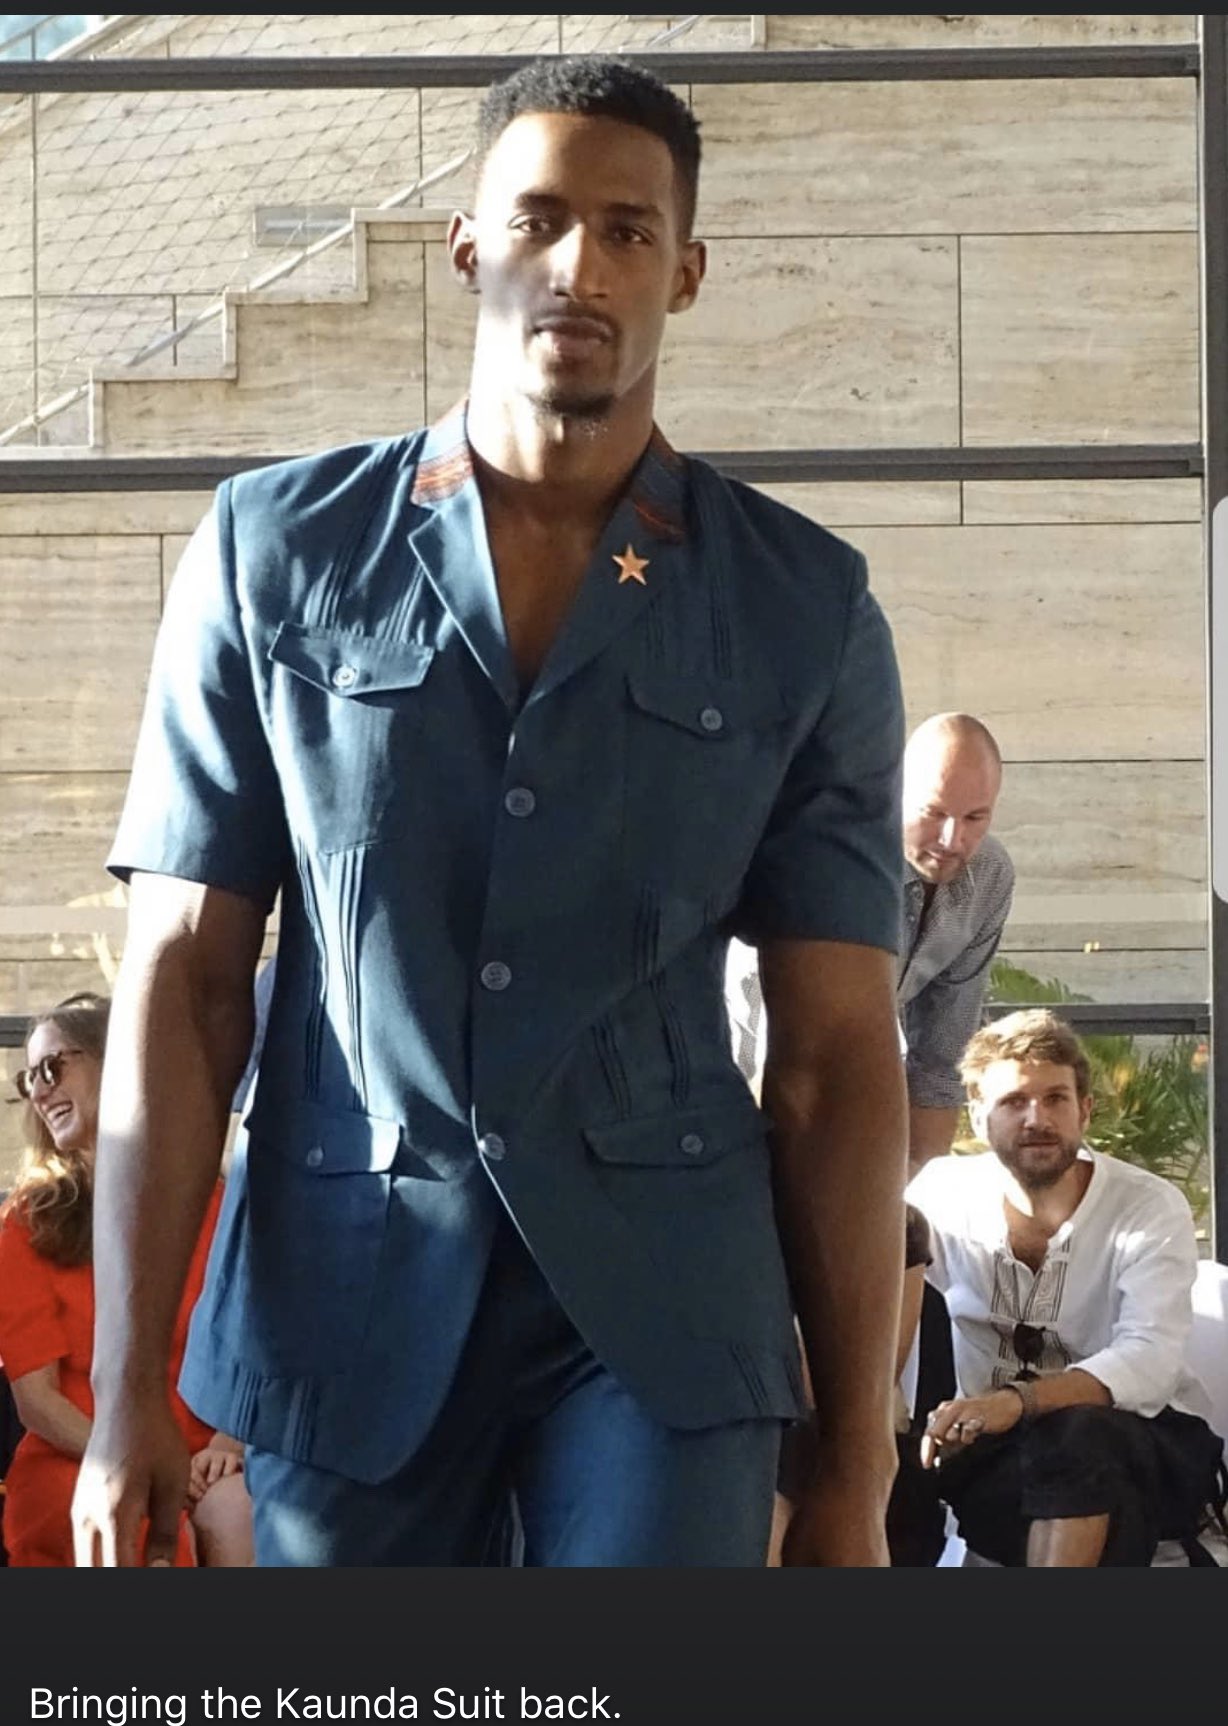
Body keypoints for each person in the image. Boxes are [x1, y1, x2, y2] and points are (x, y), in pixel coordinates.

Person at [73, 56, 908, 1569]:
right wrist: (127, 1386)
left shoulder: (802, 604)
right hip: (346, 1292)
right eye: (538, 218)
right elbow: (186, 980)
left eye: (629, 229)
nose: (580, 262)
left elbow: (838, 1051)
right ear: (468, 247)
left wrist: (855, 1460)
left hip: (666, 1318)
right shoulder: (275, 550)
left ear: (687, 271)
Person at [908, 1008, 1224, 1567]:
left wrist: (1015, 1402)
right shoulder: (940, 1196)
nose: (1038, 1119)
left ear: (1085, 1110)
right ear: (977, 1116)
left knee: (1078, 1437)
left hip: (1148, 1444)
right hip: (1000, 1454)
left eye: (1055, 1099)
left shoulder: (1147, 1206)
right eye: (1014, 1101)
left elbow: (1148, 1360)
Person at [0, 993, 252, 1566]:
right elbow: (36, 1402)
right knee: (144, 1532)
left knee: (244, 1515)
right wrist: (140, 1463)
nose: (38, 1091)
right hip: (84, 1456)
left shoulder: (214, 1203)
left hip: (207, 1455)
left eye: (51, 1067)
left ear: (120, 1062)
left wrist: (230, 1439)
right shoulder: (27, 1222)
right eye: (28, 1078)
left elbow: (252, 1341)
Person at [728, 711, 1014, 1170]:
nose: (952, 839)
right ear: (897, 791)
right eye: (934, 812)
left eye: (975, 817)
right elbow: (792, 1055)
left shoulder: (991, 876)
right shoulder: (832, 864)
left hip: (852, 1072)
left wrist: (916, 1193)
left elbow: (942, 1059)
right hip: (739, 1076)